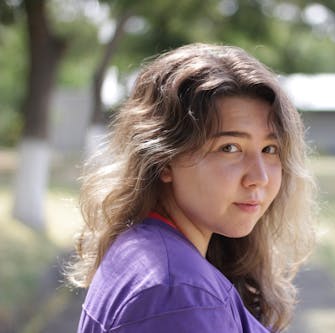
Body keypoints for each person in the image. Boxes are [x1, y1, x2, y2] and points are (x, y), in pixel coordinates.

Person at [67, 43, 316, 333]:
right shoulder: (178, 294)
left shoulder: (146, 249)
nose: (259, 176)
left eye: (270, 149)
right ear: (164, 160)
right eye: (230, 147)